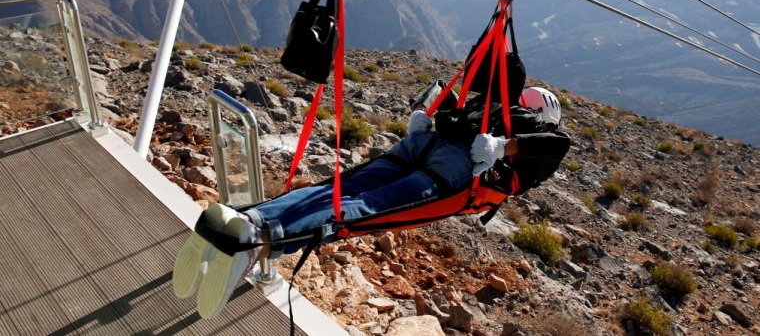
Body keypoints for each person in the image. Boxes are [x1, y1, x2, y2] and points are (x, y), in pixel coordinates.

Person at [173, 85, 569, 319]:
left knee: (339, 188)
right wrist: (506, 146)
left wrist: (425, 120)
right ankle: (261, 234)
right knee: (365, 208)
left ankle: (251, 215)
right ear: (547, 113)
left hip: (422, 141)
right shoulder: (534, 129)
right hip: (454, 170)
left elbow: (443, 95)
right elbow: (557, 145)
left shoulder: (491, 101)